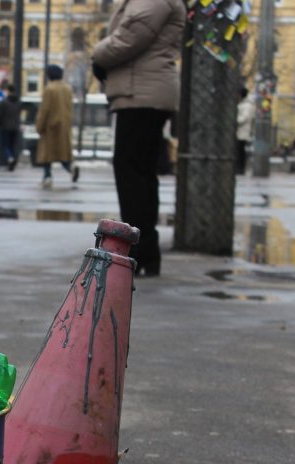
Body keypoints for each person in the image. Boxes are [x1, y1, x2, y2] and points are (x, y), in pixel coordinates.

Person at [92, 0, 185, 277]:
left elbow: (130, 36)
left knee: (132, 171)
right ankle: (143, 251)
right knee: (139, 172)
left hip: (142, 94)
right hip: (143, 91)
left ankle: (139, 249)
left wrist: (97, 54)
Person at [35, 64, 77, 189]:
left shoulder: (50, 89)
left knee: (47, 154)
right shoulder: (67, 89)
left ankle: (47, 176)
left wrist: (39, 125)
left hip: (50, 127)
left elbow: (45, 110)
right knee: (63, 153)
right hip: (64, 125)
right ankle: (71, 169)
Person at [0, 84, 22, 171]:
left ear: (8, 91)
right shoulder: (18, 102)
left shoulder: (4, 102)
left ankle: (10, 158)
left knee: (5, 145)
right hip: (15, 126)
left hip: (6, 126)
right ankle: (13, 158)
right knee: (12, 145)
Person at [236, 87, 255, 175]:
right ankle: (240, 168)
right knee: (240, 150)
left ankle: (240, 168)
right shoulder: (244, 104)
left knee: (240, 150)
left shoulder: (246, 105)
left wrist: (235, 121)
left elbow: (245, 117)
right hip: (241, 131)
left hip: (242, 131)